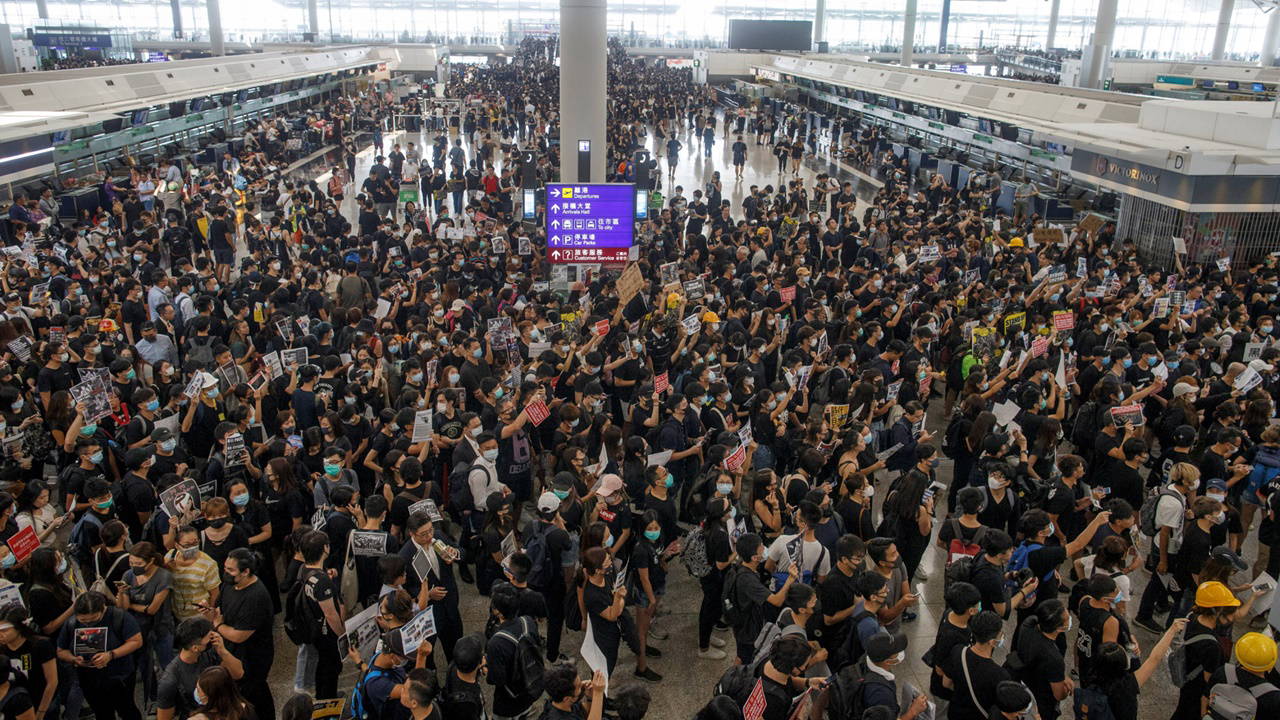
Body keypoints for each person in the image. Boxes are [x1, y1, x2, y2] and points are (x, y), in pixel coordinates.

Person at [206, 548, 274, 720]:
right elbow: (220, 608)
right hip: (233, 650)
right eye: (225, 568)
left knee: (254, 694)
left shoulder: (255, 596)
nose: (226, 573)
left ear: (246, 572)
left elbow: (239, 635)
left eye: (230, 570)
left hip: (253, 656)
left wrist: (218, 624)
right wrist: (210, 612)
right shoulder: (230, 585)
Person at [54, 591, 144, 720]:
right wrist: (74, 659)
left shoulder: (119, 617)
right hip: (89, 678)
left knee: (127, 710)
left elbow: (136, 641)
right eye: (83, 620)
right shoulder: (71, 623)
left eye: (93, 619)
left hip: (119, 676)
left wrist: (111, 655)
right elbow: (61, 651)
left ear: (103, 609)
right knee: (102, 713)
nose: (88, 624)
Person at [156, 618, 245, 720]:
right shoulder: (170, 680)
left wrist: (222, 651)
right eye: (209, 638)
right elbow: (164, 717)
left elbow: (238, 674)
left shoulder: (210, 652)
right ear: (195, 648)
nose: (213, 640)